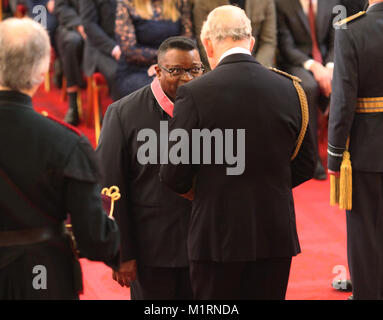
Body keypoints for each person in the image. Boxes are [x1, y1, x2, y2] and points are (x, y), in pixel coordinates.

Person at [159, 5, 316, 300]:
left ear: (207, 44)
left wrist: (209, 189)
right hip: (275, 234)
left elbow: (173, 175)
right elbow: (306, 165)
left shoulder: (194, 94)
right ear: (251, 42)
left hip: (217, 237)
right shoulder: (292, 89)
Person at [0, 18, 120, 300]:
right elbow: (93, 239)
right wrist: (124, 251)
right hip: (41, 278)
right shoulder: (67, 143)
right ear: (44, 69)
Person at [96, 36, 204, 299]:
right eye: (176, 70)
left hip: (204, 250)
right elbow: (110, 187)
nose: (187, 78)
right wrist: (121, 252)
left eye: (194, 70)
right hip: (151, 253)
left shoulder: (211, 108)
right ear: (157, 71)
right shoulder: (122, 114)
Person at [327, 0, 383, 300]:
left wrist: (334, 153)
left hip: (368, 149)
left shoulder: (350, 29)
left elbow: (343, 100)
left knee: (366, 232)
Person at [275, 0, 339, 180]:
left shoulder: (332, 2)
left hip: (327, 60)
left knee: (344, 82)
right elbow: (286, 47)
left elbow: (336, 39)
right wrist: (314, 66)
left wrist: (330, 66)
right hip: (297, 61)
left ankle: (342, 152)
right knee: (309, 87)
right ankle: (312, 157)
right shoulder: (283, 4)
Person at [114, 0, 193, 100]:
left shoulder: (179, 2)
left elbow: (187, 41)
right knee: (158, 90)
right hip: (138, 70)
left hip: (174, 67)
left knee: (191, 88)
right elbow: (130, 51)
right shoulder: (127, 3)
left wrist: (167, 65)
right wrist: (164, 60)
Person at [192, 0, 277, 70]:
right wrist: (224, 69)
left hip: (259, 67)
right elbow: (203, 42)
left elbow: (268, 41)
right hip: (217, 69)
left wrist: (255, 67)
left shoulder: (265, 2)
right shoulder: (203, 2)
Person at [80, 0, 120, 101]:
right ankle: (121, 114)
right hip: (100, 46)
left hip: (128, 43)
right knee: (119, 73)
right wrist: (113, 48)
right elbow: (89, 25)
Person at [54, 0, 85, 126]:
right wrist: (79, 25)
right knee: (72, 42)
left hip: (98, 25)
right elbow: (61, 7)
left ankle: (99, 102)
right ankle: (73, 104)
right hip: (71, 26)